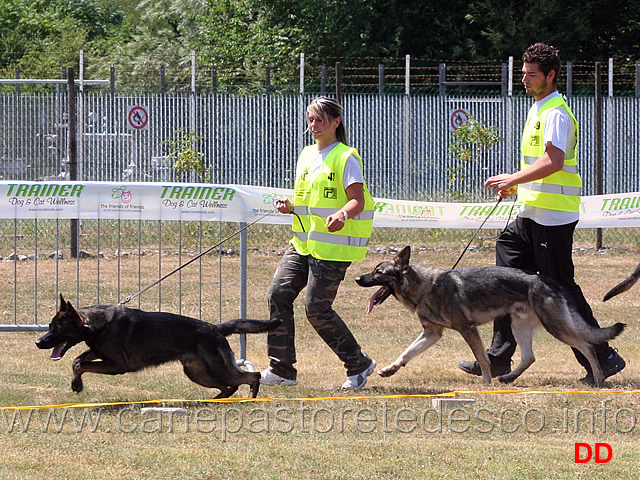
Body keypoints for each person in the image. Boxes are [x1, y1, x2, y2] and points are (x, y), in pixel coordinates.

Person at [458, 43, 625, 385]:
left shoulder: (555, 113)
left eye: (532, 74)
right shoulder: (537, 108)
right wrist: (517, 187)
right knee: (504, 279)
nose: (525, 79)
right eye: (523, 73)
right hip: (529, 213)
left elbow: (554, 162)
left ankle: (604, 357)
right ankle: (498, 358)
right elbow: (538, 165)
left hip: (553, 218)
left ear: (550, 75)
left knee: (560, 290)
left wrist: (513, 178)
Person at [260, 97, 376, 390]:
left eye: (320, 120)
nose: (314, 125)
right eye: (311, 120)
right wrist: (290, 205)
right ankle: (282, 370)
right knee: (278, 294)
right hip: (302, 243)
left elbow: (357, 200)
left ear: (336, 122)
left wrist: (342, 213)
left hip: (332, 248)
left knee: (316, 310)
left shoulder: (346, 156)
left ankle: (358, 364)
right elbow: (309, 199)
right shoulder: (307, 154)